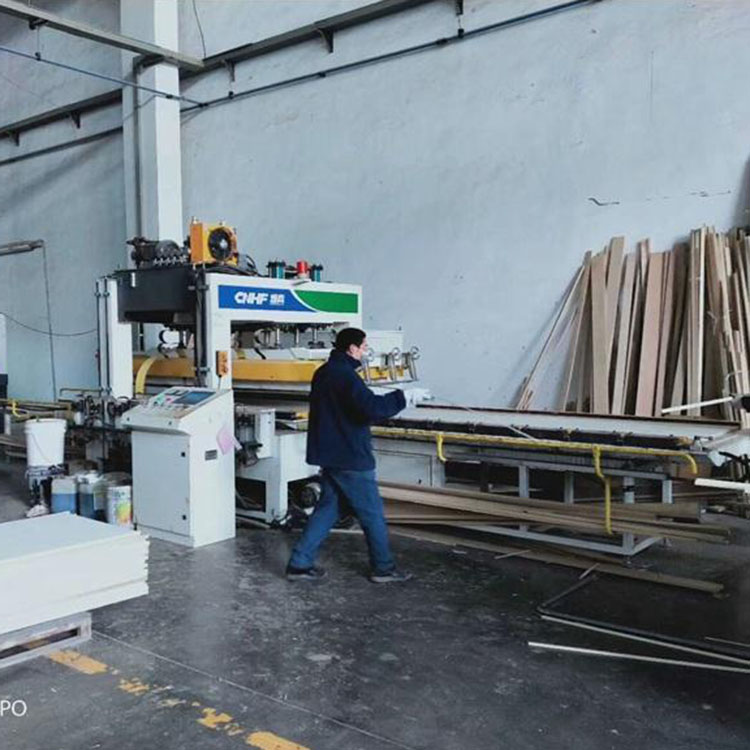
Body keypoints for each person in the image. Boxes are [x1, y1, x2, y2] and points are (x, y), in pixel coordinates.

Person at [286, 327, 430, 583]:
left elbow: (352, 405)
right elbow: (371, 409)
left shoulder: (324, 372)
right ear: (352, 348)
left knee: (327, 511)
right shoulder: (346, 376)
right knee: (372, 514)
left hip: (330, 456)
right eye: (364, 347)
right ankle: (383, 568)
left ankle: (299, 563)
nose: (366, 351)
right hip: (350, 457)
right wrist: (404, 397)